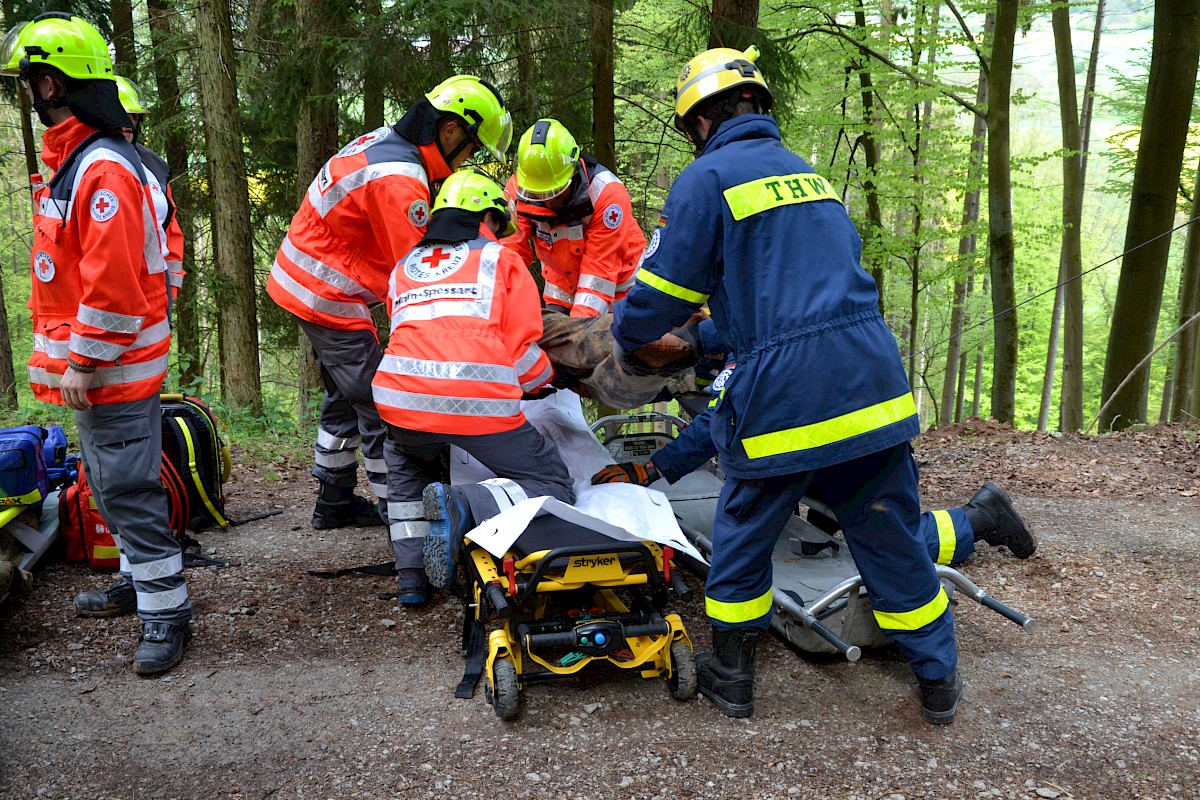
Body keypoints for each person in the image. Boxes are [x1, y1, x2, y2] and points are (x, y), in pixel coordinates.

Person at [610, 45, 968, 723]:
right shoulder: (810, 178)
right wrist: (707, 340)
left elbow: (655, 300)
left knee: (743, 528)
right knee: (889, 533)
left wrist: (632, 337)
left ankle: (734, 677)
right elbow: (795, 306)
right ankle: (939, 680)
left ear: (700, 121)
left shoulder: (706, 179)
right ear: (758, 107)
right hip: (871, 383)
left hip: (785, 397)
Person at [265, 76, 512, 605]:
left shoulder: (388, 143)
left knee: (343, 391)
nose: (468, 161)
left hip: (307, 283)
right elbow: (417, 274)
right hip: (328, 295)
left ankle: (332, 498)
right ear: (448, 130)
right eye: (470, 148)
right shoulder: (402, 179)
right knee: (382, 405)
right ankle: (396, 517)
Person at [1, 14, 190, 674]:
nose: (27, 95)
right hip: (102, 369)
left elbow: (111, 288)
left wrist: (84, 359)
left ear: (51, 84)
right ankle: (143, 586)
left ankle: (168, 616)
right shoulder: (79, 162)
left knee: (128, 491)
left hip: (112, 369)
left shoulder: (102, 171)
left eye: (29, 84)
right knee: (110, 487)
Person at [592, 364, 1039, 566]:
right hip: (834, 437)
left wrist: (651, 469)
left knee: (882, 549)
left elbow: (721, 412)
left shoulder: (748, 310)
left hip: (851, 444)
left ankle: (979, 519)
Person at [370, 170, 574, 594]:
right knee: (552, 484)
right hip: (477, 406)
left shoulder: (405, 266)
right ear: (487, 217)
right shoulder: (501, 260)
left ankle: (412, 576)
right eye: (499, 224)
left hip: (400, 401)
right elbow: (522, 351)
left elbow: (407, 331)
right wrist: (545, 384)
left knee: (406, 462)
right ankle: (464, 506)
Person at [501, 119, 644, 317]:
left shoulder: (607, 195)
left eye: (555, 192)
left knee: (604, 343)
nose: (548, 201)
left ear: (574, 169)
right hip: (562, 291)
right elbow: (509, 253)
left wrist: (578, 334)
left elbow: (599, 272)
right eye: (538, 195)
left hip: (622, 289)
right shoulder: (520, 189)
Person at [114, 74, 185, 311]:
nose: (127, 124)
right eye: (120, 116)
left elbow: (170, 228)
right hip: (116, 290)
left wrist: (170, 291)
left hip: (158, 288)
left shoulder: (155, 166)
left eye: (132, 117)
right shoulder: (88, 165)